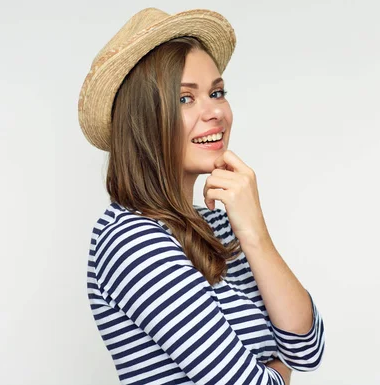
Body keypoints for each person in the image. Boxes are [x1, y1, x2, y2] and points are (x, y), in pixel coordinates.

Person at [78, 8, 325, 385]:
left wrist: (255, 232)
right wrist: (275, 370)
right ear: (145, 120)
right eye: (185, 99)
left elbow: (307, 348)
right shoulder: (132, 239)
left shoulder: (221, 223)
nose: (215, 113)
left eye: (217, 93)